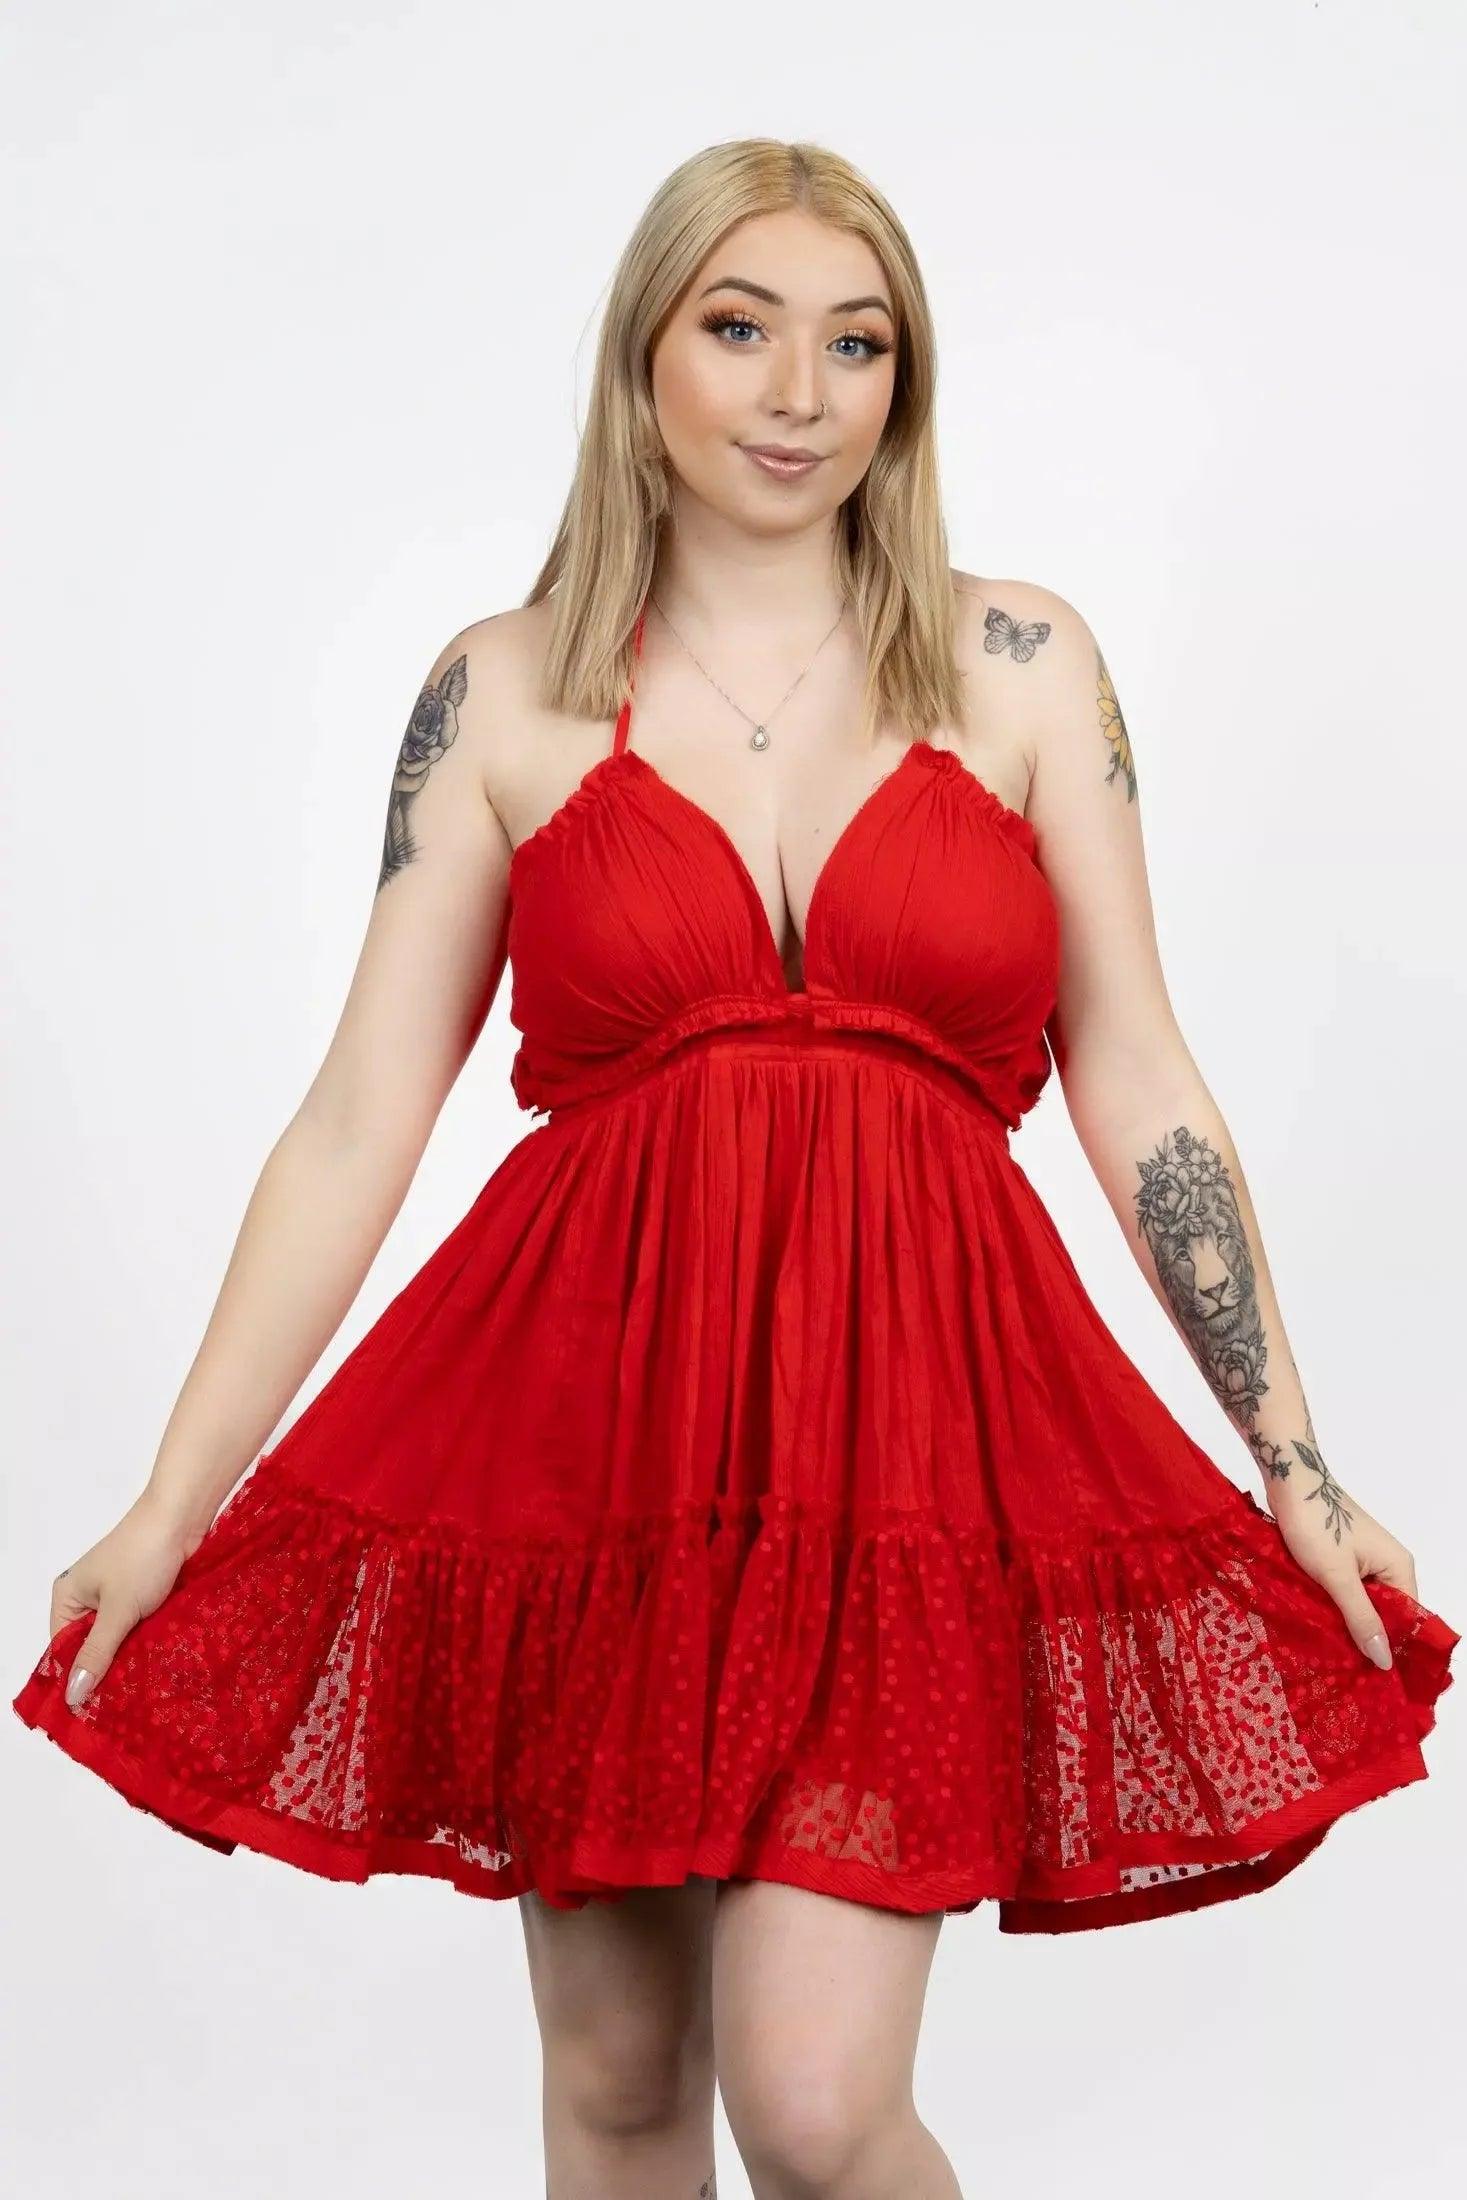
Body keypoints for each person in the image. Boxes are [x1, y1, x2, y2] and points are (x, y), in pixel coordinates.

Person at [13, 138, 1458, 2200]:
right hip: (598, 1440)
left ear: (904, 383)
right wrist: (173, 1501)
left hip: (908, 1448)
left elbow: (1138, 1077)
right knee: (620, 2090)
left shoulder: (1021, 665)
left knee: (812, 2103)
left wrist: (1290, 1459)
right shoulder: (502, 691)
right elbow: (355, 1120)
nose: (800, 392)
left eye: (856, 343)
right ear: (643, 360)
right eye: (741, 327)